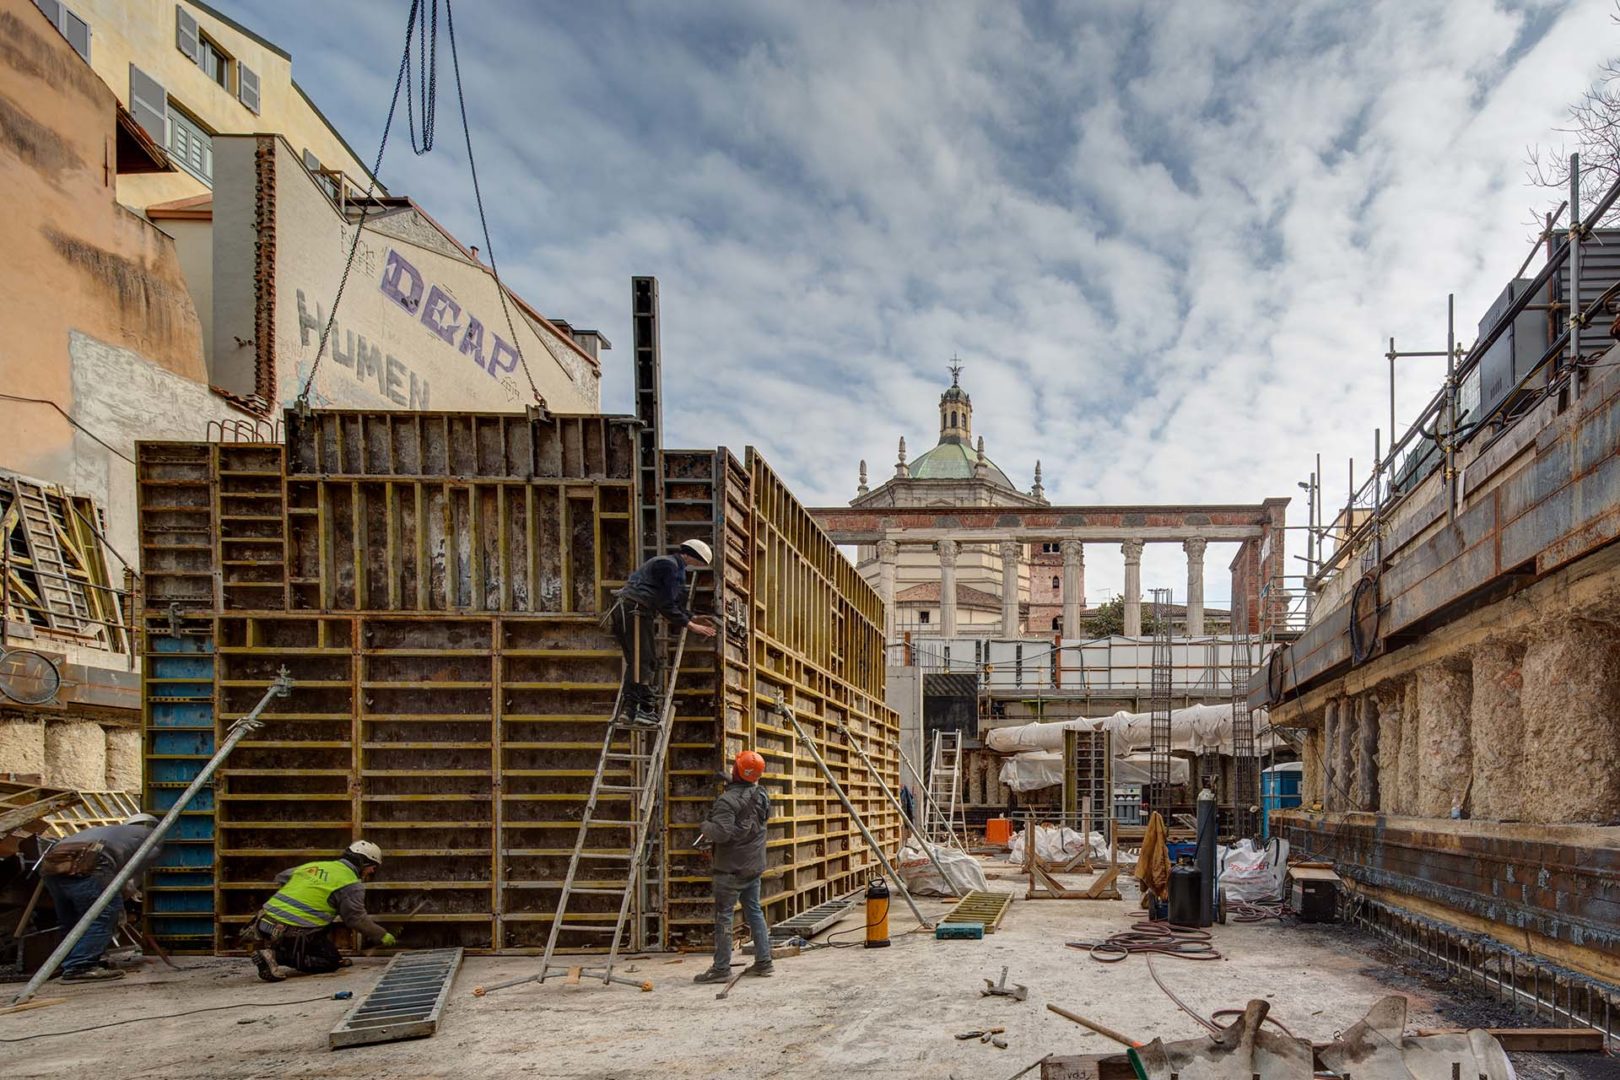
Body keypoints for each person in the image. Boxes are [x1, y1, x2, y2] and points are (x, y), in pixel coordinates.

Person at [39, 812, 162, 982]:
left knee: (73, 919)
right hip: (90, 861)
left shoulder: (111, 830)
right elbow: (130, 880)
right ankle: (81, 965)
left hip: (53, 865)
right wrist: (122, 901)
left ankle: (70, 961)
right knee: (104, 914)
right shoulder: (152, 839)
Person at [247, 840, 394, 981]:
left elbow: (281, 877)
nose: (372, 871)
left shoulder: (317, 866)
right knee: (328, 962)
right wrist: (381, 935)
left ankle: (285, 948)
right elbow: (355, 919)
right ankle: (274, 955)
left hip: (263, 922)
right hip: (288, 931)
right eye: (373, 867)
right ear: (363, 863)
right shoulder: (351, 884)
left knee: (326, 931)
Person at [609, 539, 717, 728]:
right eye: (701, 562)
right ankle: (645, 709)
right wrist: (690, 625)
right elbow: (666, 604)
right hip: (636, 611)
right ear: (693, 556)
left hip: (630, 611)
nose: (700, 566)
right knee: (645, 661)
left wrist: (692, 616)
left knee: (639, 662)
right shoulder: (670, 566)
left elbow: (670, 603)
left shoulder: (668, 563)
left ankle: (631, 709)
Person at [693, 750, 773, 984]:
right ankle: (764, 962)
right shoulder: (762, 794)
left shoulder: (725, 801)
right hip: (753, 865)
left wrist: (704, 825)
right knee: (754, 912)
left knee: (725, 917)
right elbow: (746, 802)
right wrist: (734, 782)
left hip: (730, 869)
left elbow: (722, 832)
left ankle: (721, 969)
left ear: (737, 771)